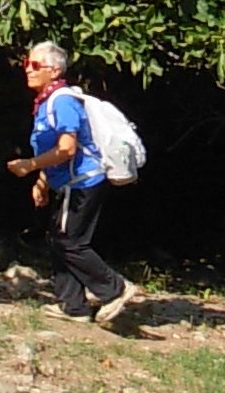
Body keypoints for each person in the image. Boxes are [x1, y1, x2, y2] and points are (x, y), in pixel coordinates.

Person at [7, 41, 135, 331]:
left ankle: (114, 289)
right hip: (68, 183)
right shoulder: (46, 102)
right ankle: (72, 306)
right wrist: (42, 181)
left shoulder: (61, 101)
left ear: (54, 71)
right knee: (58, 239)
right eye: (26, 64)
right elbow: (51, 148)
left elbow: (67, 148)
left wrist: (30, 165)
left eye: (35, 65)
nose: (28, 70)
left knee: (69, 241)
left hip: (83, 183)